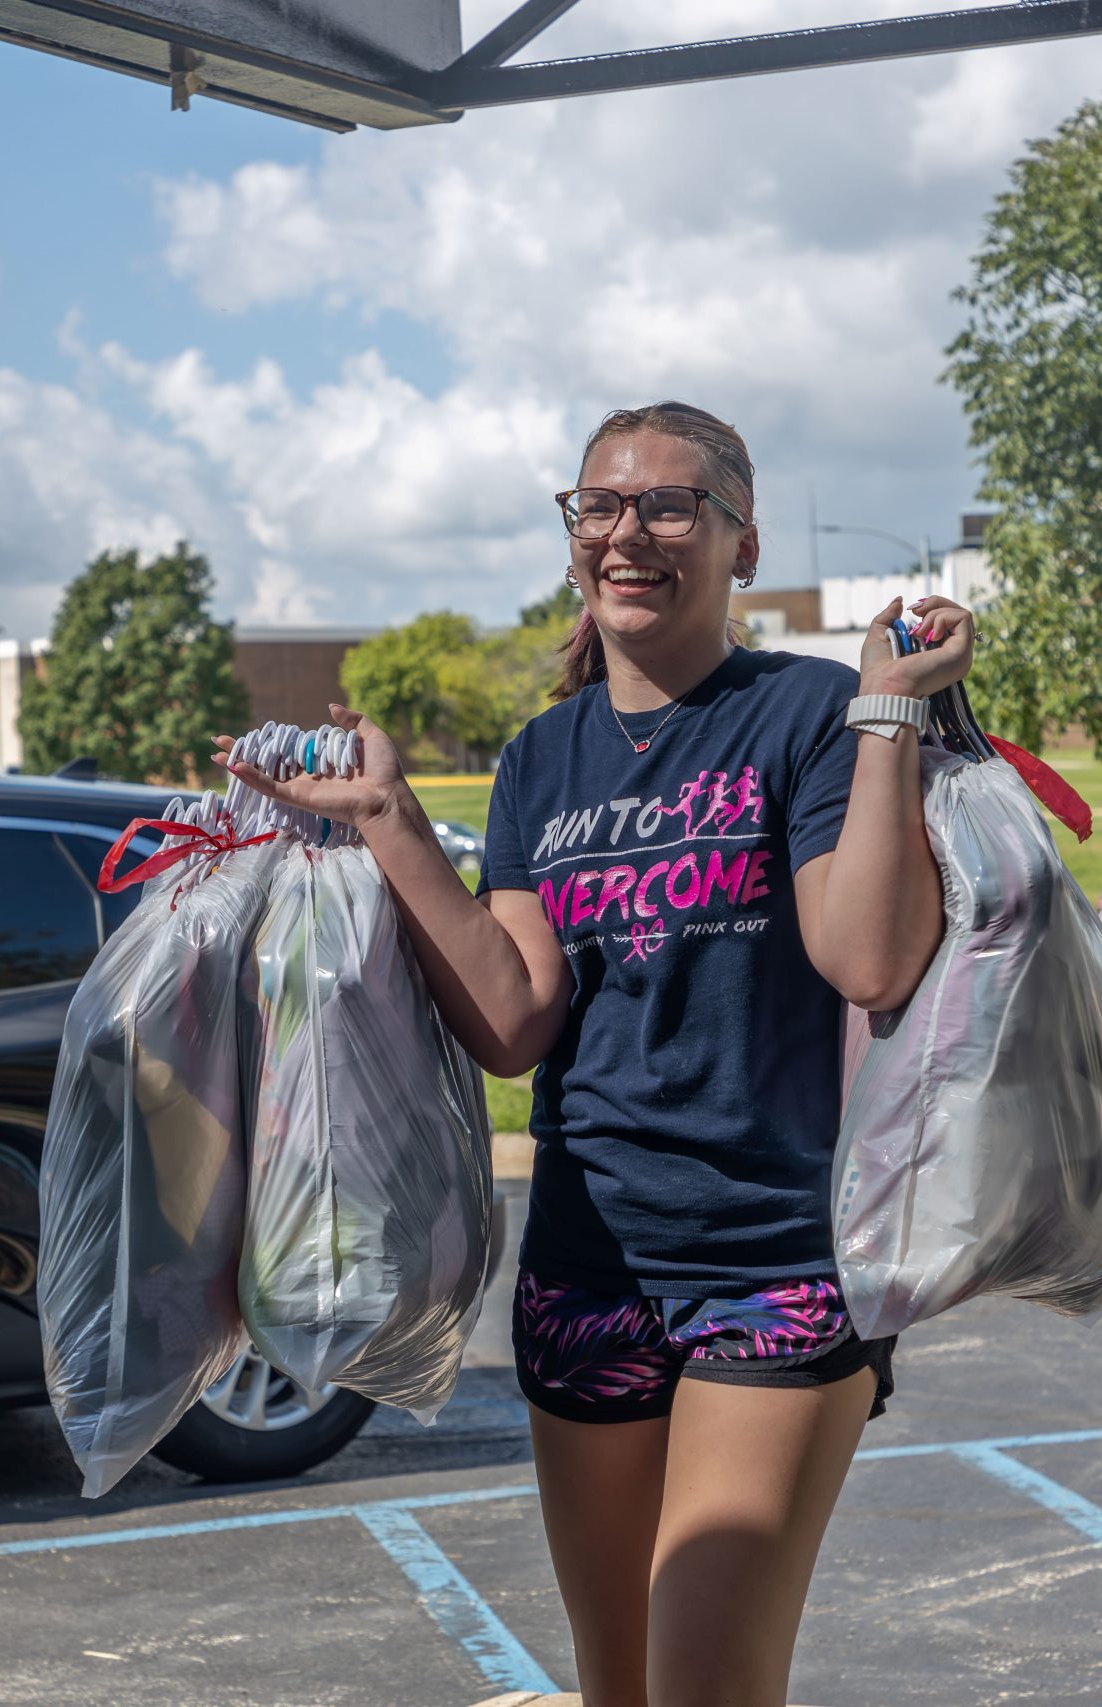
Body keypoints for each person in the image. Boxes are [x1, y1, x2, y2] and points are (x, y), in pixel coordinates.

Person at [219, 401, 969, 1707]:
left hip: (770, 1260)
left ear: (742, 544)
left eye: (672, 506)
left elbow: (870, 958)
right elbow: (513, 1019)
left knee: (708, 1684)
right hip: (586, 1268)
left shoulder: (806, 711)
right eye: (600, 507)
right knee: (617, 1687)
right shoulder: (540, 760)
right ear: (574, 539)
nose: (630, 531)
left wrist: (890, 709)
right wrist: (392, 818)